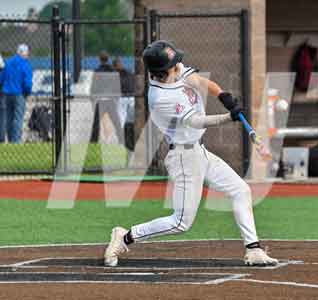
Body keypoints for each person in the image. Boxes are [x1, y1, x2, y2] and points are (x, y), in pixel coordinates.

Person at [104, 40, 278, 267]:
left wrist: (224, 97)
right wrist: (228, 118)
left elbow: (199, 81)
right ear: (161, 72)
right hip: (184, 158)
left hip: (199, 151)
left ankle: (253, 249)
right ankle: (124, 236)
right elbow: (195, 121)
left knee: (240, 190)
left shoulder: (172, 72)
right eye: (174, 65)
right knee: (180, 223)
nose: (180, 66)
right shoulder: (161, 98)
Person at [0, 44, 33, 143]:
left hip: (6, 93)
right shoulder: (25, 64)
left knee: (9, 118)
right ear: (25, 53)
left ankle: (10, 140)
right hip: (19, 94)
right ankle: (16, 141)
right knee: (18, 118)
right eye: (27, 54)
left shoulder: (8, 62)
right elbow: (27, 83)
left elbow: (1, 78)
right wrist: (27, 92)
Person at [90, 50, 123, 144]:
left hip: (101, 99)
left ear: (99, 59)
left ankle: (93, 141)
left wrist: (93, 98)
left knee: (96, 124)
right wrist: (116, 97)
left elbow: (94, 86)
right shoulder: (113, 71)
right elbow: (117, 85)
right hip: (111, 99)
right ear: (108, 59)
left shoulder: (97, 71)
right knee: (116, 122)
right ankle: (121, 138)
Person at [112, 57, 135, 151]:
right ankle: (126, 139)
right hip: (129, 97)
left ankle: (125, 139)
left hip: (124, 98)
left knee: (123, 119)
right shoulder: (128, 72)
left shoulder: (118, 74)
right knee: (127, 120)